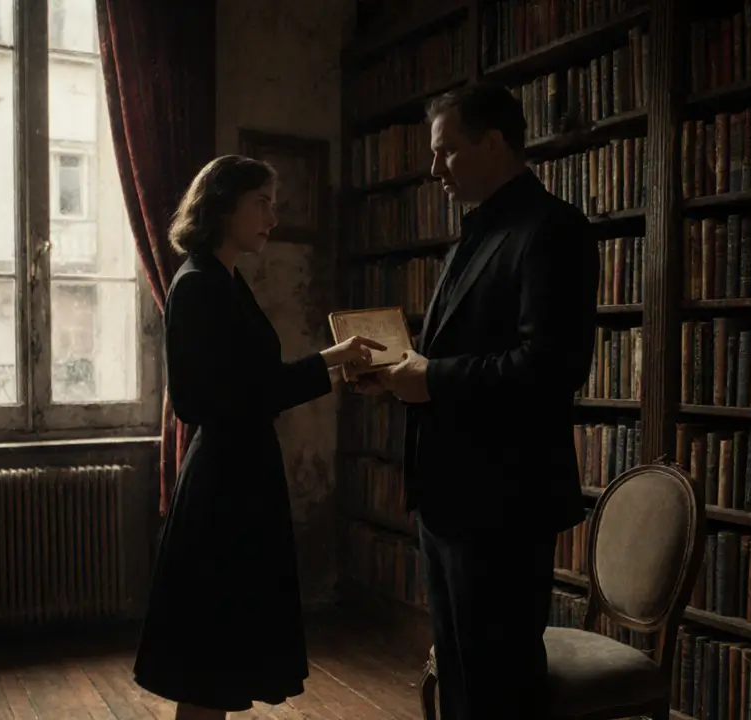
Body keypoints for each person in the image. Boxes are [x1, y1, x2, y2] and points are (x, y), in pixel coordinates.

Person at [361, 84, 598, 718]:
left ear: (494, 144)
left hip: (503, 506)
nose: (434, 168)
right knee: (465, 684)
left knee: (500, 691)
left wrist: (433, 378)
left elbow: (552, 367)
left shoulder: (553, 229)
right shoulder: (476, 230)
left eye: (447, 152)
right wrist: (401, 373)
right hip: (448, 499)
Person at [133, 155, 384, 720]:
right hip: (224, 484)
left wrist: (332, 363)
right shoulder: (198, 284)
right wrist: (328, 363)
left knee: (218, 657)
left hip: (242, 475)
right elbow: (203, 398)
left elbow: (251, 382)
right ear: (223, 205)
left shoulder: (224, 278)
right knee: (206, 660)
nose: (274, 214)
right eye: (263, 202)